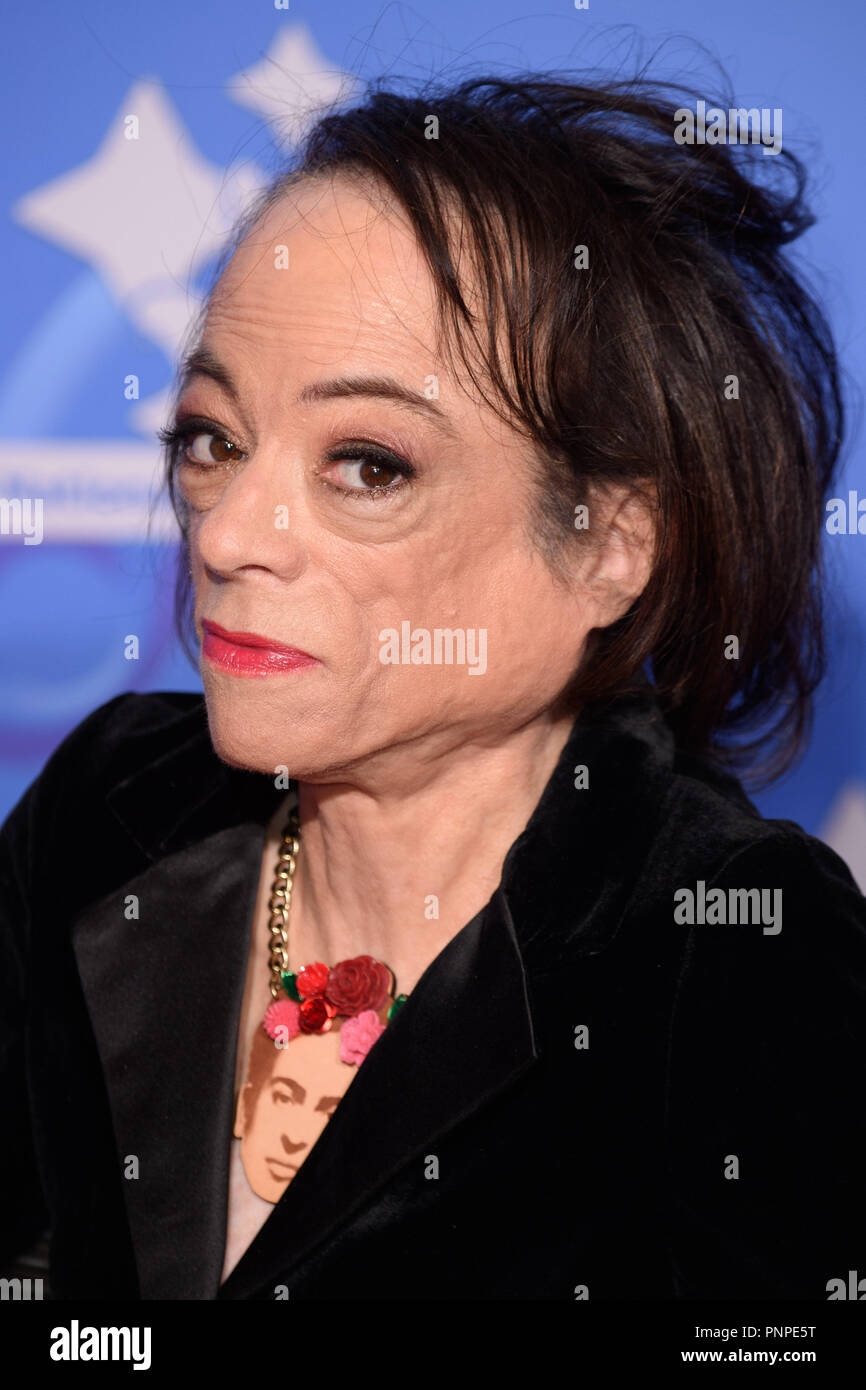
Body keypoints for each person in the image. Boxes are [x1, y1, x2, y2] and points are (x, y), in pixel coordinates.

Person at [2, 70, 865, 1302]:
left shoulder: (725, 950)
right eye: (212, 437)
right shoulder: (116, 802)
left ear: (612, 544)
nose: (232, 528)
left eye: (366, 462)